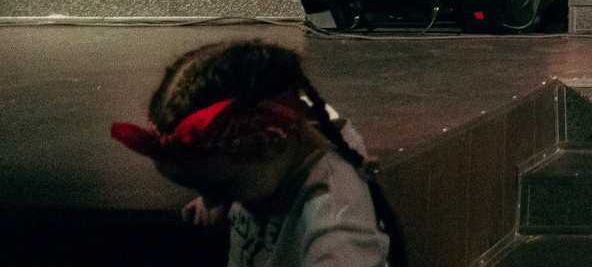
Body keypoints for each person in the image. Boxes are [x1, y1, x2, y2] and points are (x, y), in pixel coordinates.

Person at [111, 39, 393, 266]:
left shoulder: (336, 229)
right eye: (202, 188)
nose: (209, 202)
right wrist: (221, 192)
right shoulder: (280, 145)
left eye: (220, 186)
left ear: (270, 145)